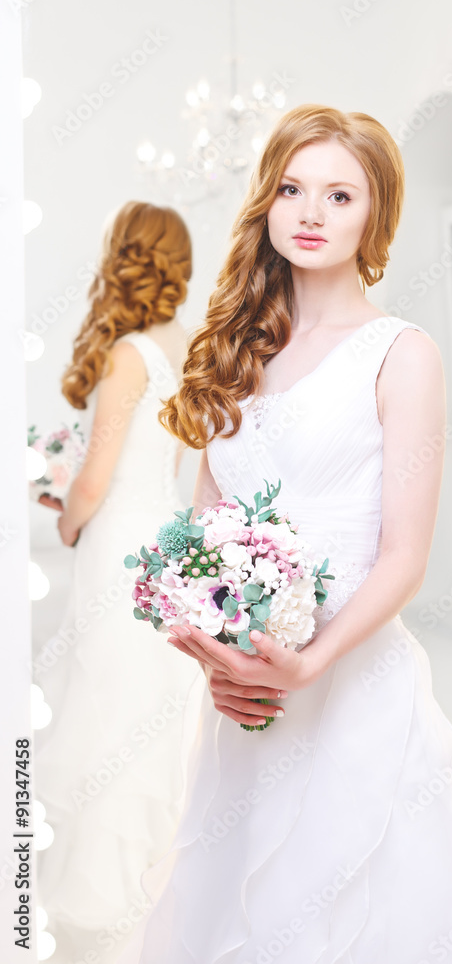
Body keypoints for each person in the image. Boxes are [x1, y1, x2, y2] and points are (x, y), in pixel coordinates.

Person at [117, 106, 452, 963]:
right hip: (246, 697)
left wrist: (310, 662)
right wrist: (218, 662)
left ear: (374, 214)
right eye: (291, 189)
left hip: (352, 686)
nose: (311, 213)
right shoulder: (236, 348)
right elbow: (204, 528)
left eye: (339, 195)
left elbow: (404, 557)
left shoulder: (401, 353)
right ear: (266, 203)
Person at [34, 201, 202, 964]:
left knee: (109, 705)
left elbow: (96, 481)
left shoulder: (128, 354)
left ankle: (104, 898)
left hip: (117, 545)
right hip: (162, 536)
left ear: (124, 256)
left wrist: (66, 519)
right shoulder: (185, 344)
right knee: (153, 705)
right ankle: (161, 880)